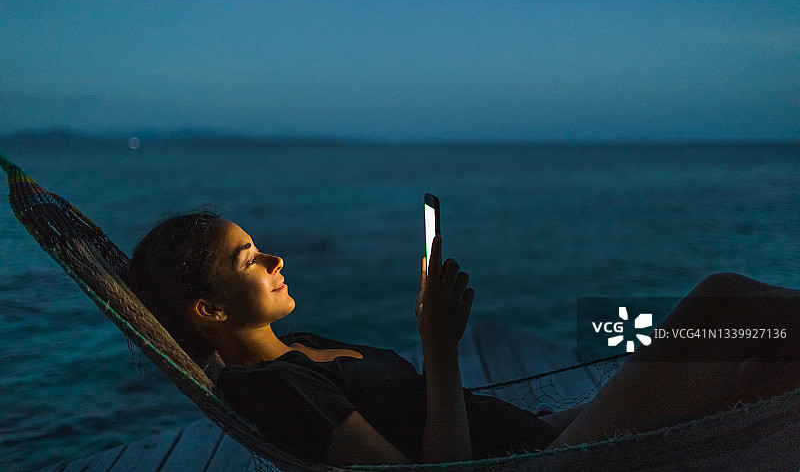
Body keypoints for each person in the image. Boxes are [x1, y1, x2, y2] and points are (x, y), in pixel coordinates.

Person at [125, 212, 800, 465]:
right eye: (250, 259)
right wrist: (441, 345)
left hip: (537, 438)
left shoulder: (299, 346)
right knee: (724, 300)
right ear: (209, 309)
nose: (274, 259)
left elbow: (428, 418)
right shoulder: (274, 388)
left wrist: (553, 417)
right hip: (545, 462)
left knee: (751, 376)